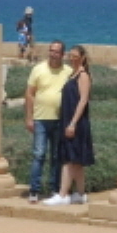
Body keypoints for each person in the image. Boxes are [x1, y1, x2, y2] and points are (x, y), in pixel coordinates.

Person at [23, 41, 70, 202]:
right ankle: (34, 190)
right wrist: (29, 117)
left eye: (56, 52)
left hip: (60, 120)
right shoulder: (38, 69)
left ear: (62, 54)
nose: (53, 54)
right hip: (41, 119)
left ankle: (55, 189)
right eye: (51, 51)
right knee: (39, 154)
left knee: (57, 156)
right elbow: (29, 94)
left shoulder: (68, 71)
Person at [54, 44, 96, 206]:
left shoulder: (83, 76)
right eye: (70, 56)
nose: (72, 59)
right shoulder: (72, 74)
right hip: (68, 119)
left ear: (82, 58)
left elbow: (83, 100)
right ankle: (80, 193)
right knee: (76, 161)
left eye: (75, 57)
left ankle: (63, 194)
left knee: (69, 159)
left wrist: (73, 123)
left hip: (76, 122)